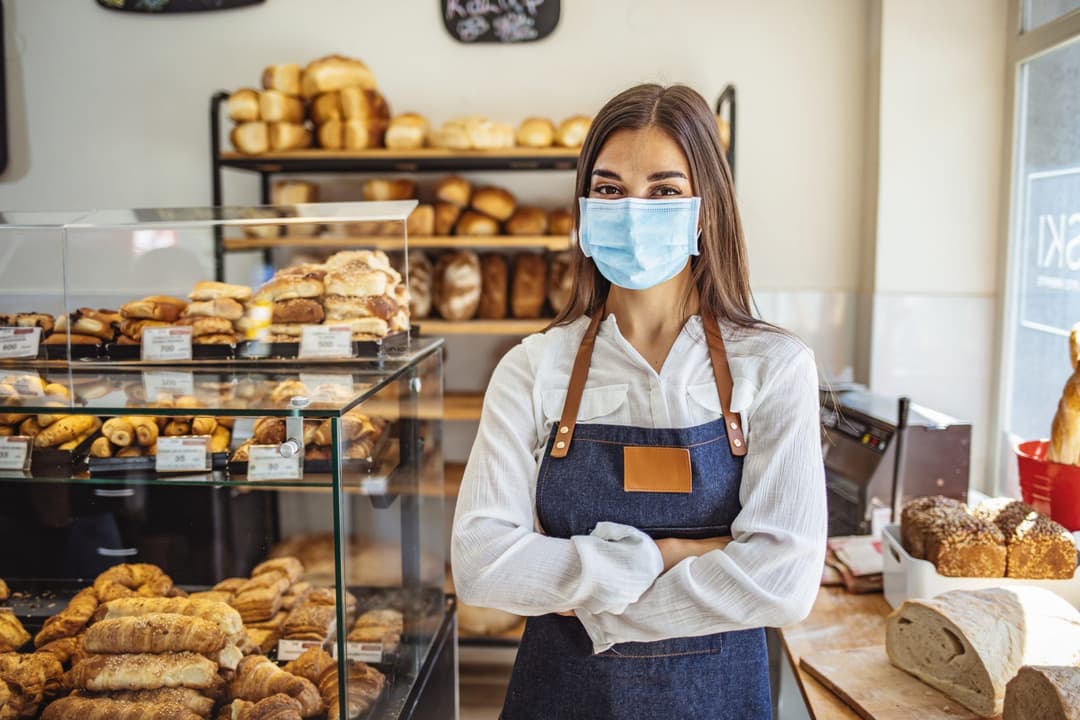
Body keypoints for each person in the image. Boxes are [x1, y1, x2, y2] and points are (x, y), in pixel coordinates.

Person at [451, 83, 827, 720]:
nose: (631, 210)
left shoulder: (775, 367)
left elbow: (785, 581)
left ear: (705, 211)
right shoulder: (533, 368)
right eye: (608, 189)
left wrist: (587, 595)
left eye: (663, 190)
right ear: (585, 210)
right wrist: (671, 555)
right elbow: (483, 565)